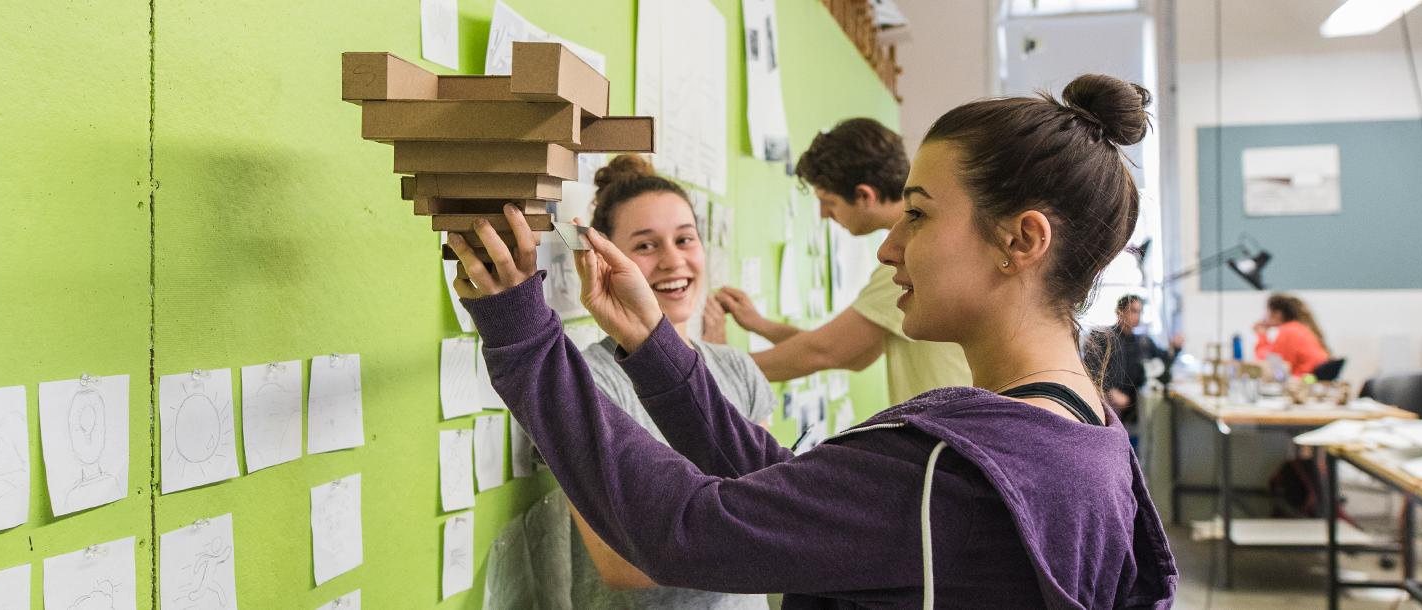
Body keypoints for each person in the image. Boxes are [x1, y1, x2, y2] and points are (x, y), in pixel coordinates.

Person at [446, 73, 1177, 607]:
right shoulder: (1079, 431)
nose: (889, 249)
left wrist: (522, 333)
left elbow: (685, 527)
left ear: (1021, 240)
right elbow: (784, 489)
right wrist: (653, 345)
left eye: (917, 216)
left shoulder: (953, 470)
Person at [566, 154, 778, 609]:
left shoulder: (739, 369)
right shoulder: (592, 380)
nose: (672, 260)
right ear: (606, 260)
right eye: (645, 246)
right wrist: (772, 542)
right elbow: (619, 563)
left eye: (685, 239)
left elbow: (770, 507)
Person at [711, 118, 972, 404]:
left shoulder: (911, 259)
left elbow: (825, 351)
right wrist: (761, 325)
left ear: (864, 196)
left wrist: (712, 371)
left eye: (829, 202)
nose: (824, 214)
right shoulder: (916, 250)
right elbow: (856, 355)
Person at [1083, 294, 1182, 423]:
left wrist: (1175, 348)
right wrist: (1110, 391)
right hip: (1109, 406)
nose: (1137, 316)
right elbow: (1091, 366)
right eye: (1133, 311)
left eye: (1140, 312)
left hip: (1135, 406)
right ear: (1120, 312)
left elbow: (1164, 358)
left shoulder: (1143, 342)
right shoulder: (1103, 338)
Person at [1253, 293, 1330, 377]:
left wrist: (1262, 336)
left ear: (1277, 314)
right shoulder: (1297, 327)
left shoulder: (1288, 331)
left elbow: (1274, 365)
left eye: (1267, 312)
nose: (1264, 317)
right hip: (1310, 377)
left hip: (1305, 379)